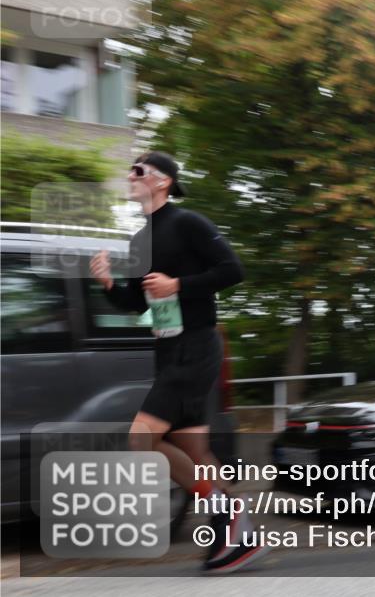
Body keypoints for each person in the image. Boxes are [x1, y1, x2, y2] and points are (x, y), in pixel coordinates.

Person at [89, 152, 266, 574]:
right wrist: (110, 284)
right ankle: (242, 537)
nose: (129, 176)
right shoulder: (138, 240)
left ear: (163, 181)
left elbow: (232, 270)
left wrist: (178, 284)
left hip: (197, 347)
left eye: (138, 171)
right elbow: (137, 303)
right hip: (167, 350)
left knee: (141, 438)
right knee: (192, 450)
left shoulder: (188, 223)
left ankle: (227, 515)